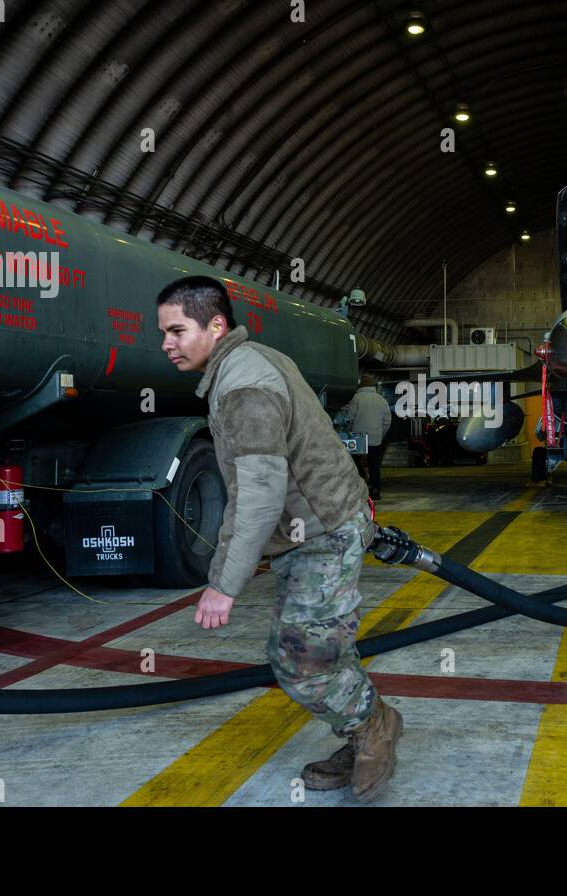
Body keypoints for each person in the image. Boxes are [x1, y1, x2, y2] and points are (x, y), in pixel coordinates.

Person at [156, 275, 403, 802]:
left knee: (300, 657)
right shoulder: (248, 363)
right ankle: (360, 729)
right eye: (164, 333)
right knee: (321, 644)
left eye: (176, 330)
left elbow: (260, 496)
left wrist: (224, 583)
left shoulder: (243, 386)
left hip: (323, 531)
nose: (166, 344)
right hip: (311, 530)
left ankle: (373, 724)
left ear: (215, 325)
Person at [344, 373, 392, 500]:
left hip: (358, 437)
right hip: (375, 438)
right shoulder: (381, 400)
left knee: (354, 463)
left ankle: (359, 488)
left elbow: (349, 418)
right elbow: (387, 420)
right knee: (374, 465)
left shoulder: (356, 398)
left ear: (361, 385)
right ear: (373, 385)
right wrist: (381, 434)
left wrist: (350, 432)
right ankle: (375, 491)